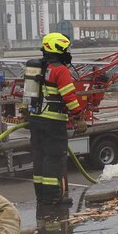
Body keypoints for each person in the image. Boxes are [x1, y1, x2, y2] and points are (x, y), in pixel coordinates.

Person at [26, 33, 86, 206]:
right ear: (58, 48)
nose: (67, 52)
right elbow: (69, 97)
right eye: (65, 48)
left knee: (39, 158)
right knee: (54, 159)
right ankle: (53, 198)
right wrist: (79, 116)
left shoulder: (36, 68)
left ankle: (41, 197)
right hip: (53, 123)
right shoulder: (60, 70)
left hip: (35, 121)